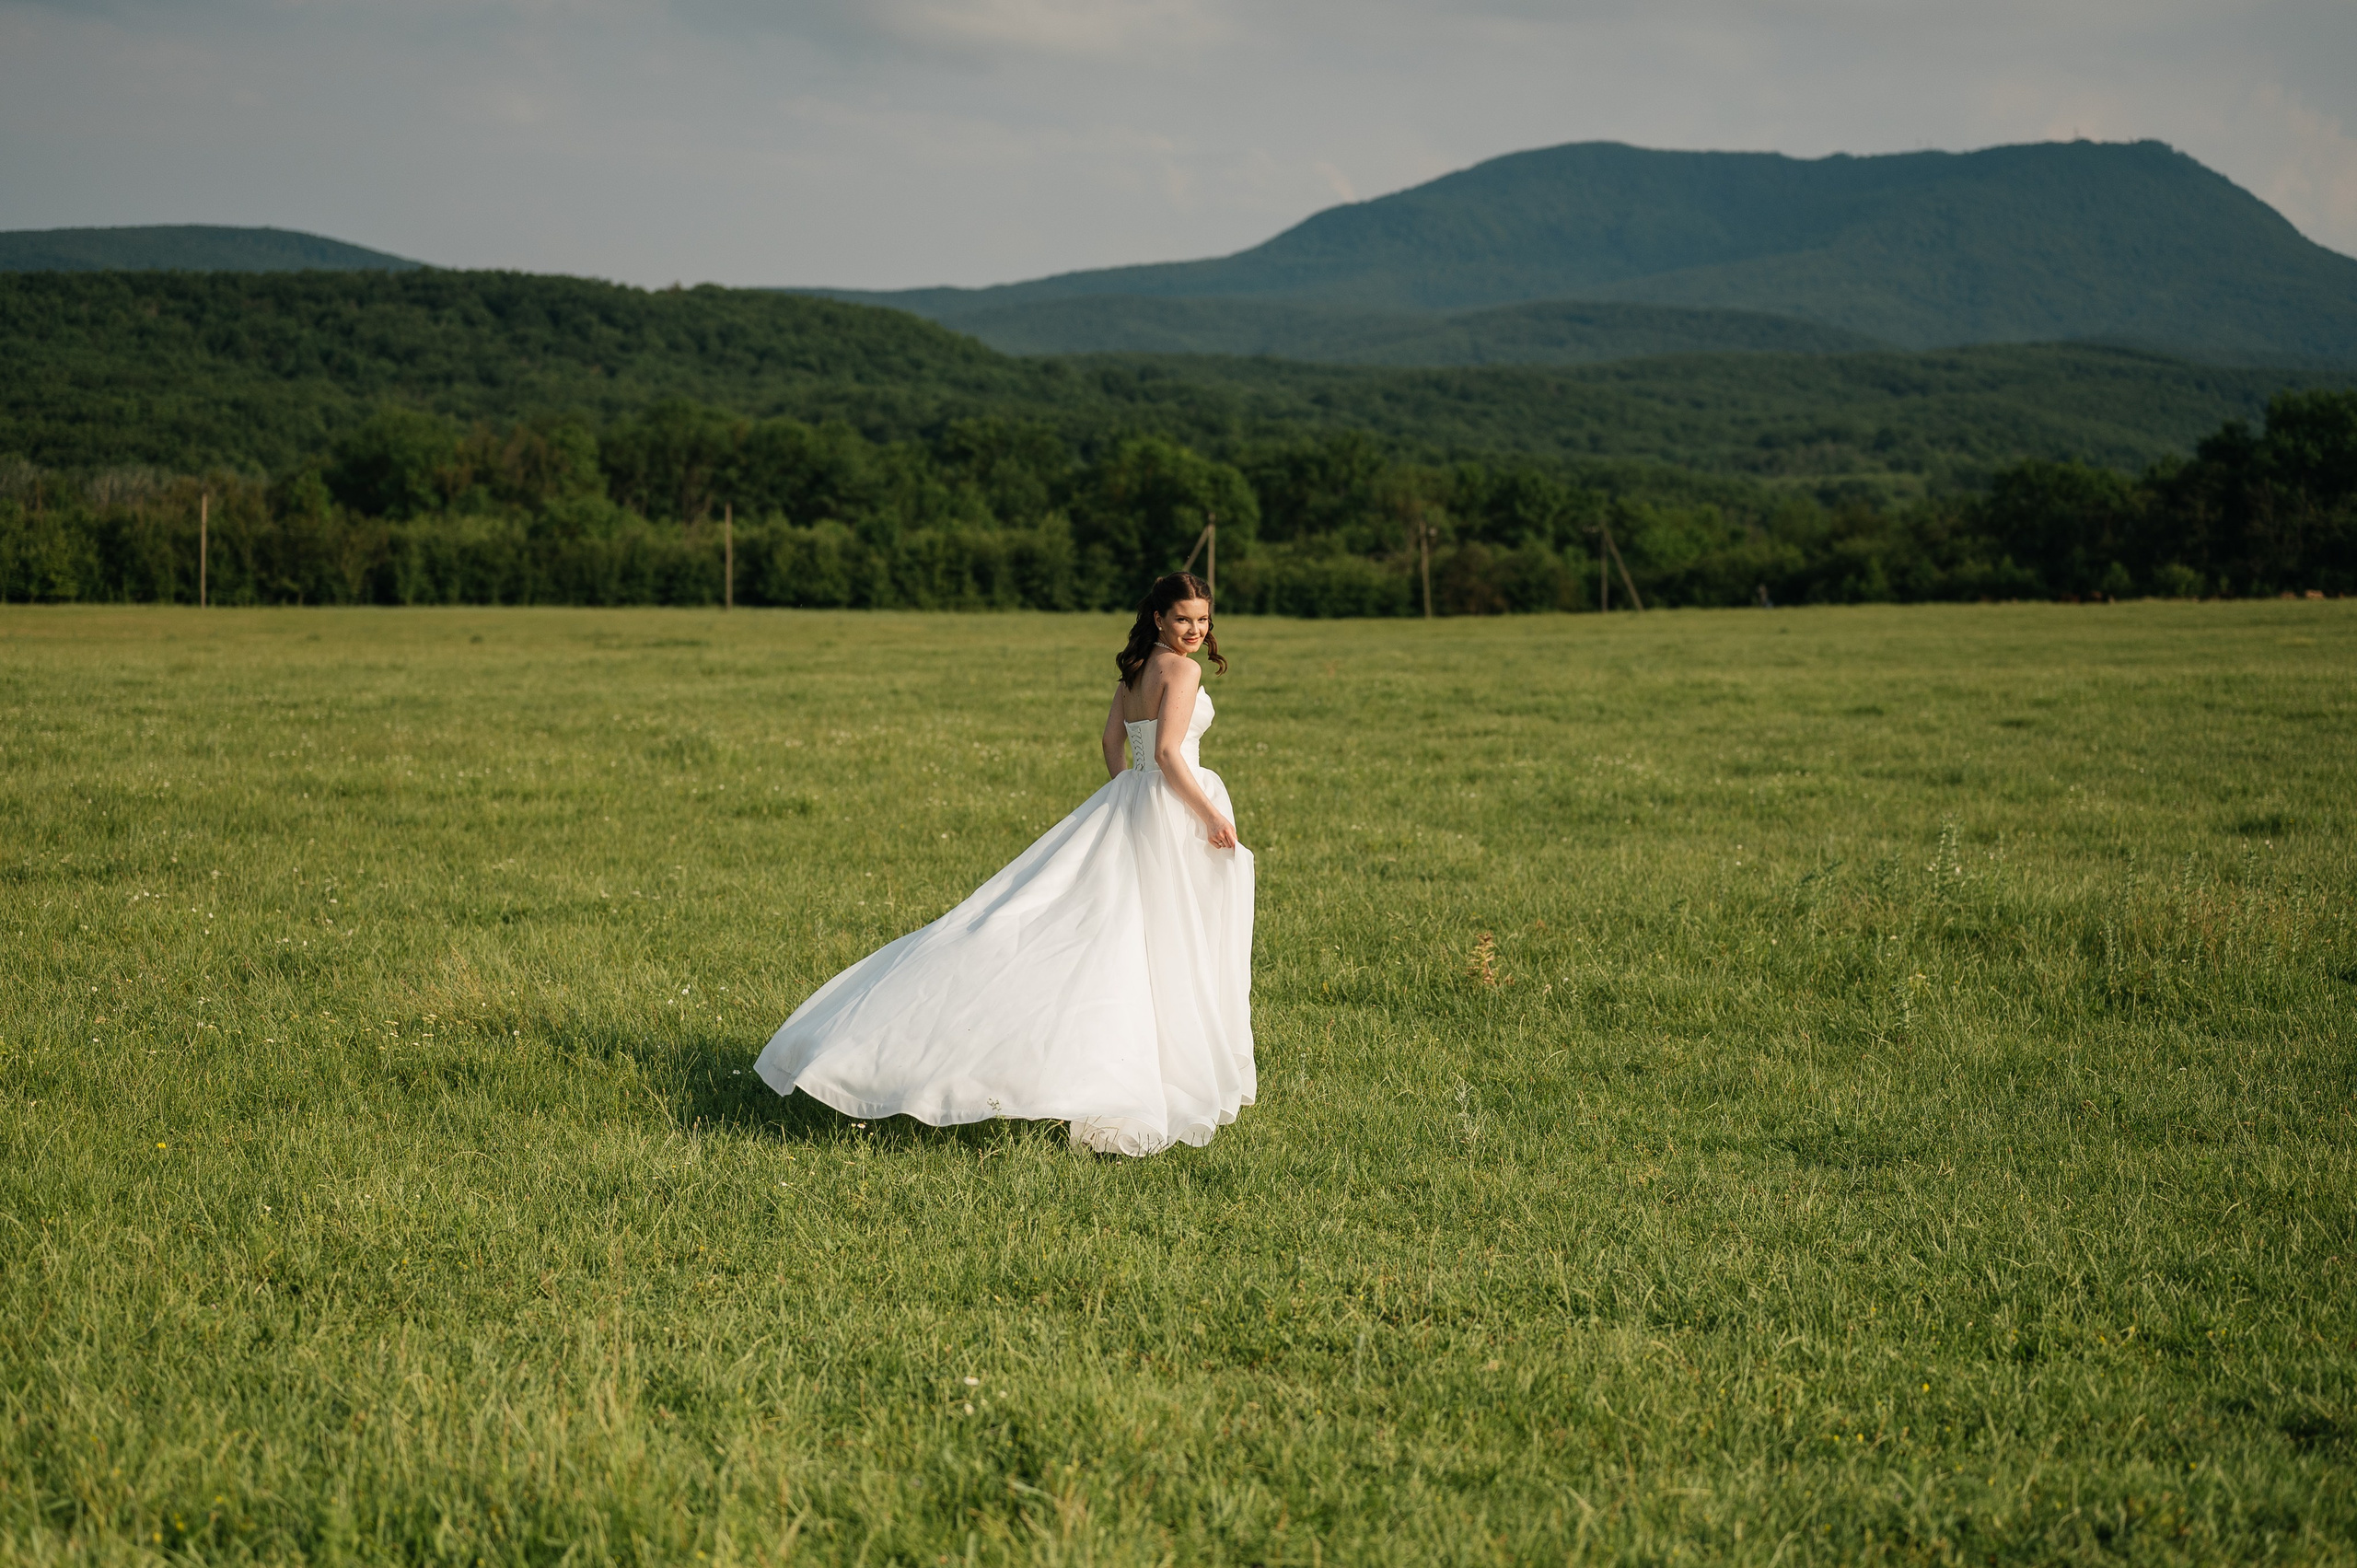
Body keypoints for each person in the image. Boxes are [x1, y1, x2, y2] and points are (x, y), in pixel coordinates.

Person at [754, 573, 1255, 1156]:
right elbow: (1168, 752)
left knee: (1111, 930)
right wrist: (1206, 815)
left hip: (1132, 803)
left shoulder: (1136, 669)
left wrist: (1129, 795)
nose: (1195, 630)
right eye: (1183, 619)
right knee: (1167, 937)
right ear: (1159, 618)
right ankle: (1151, 1070)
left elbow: (1111, 744)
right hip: (1174, 807)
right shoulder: (1183, 672)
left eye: (1203, 620)